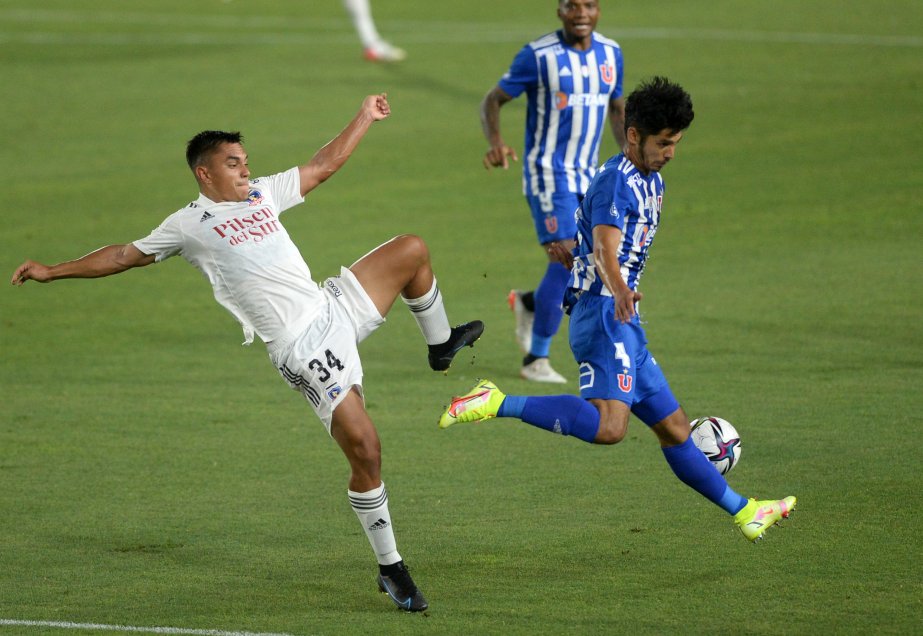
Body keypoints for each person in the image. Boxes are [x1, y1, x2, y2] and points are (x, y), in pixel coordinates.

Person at [11, 94, 484, 612]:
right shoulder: (188, 224)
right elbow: (125, 255)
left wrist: (365, 116)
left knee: (411, 249)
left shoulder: (261, 194)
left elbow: (324, 165)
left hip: (333, 305)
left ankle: (440, 345)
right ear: (204, 173)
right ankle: (391, 566)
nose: (245, 170)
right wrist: (53, 270)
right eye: (233, 163)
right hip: (302, 347)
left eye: (245, 160)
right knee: (366, 450)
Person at [443, 78, 796, 542]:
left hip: (622, 318)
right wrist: (620, 289)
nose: (670, 152)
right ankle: (496, 401)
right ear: (633, 135)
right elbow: (606, 249)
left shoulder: (653, 180)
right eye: (663, 143)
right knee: (611, 428)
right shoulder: (616, 182)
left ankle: (744, 510)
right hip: (607, 313)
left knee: (673, 428)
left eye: (676, 143)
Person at [480, 0, 626, 384]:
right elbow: (492, 99)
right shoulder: (538, 56)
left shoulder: (611, 53)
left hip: (588, 175)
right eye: (571, 5)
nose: (581, 12)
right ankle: (535, 359)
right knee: (567, 259)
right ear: (558, 10)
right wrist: (496, 141)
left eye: (589, 4)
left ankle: (529, 303)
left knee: (588, 258)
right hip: (547, 173)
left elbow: (616, 107)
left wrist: (629, 157)